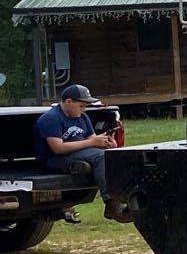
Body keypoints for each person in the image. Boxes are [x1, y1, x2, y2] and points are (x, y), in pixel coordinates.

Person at [34, 83, 123, 214]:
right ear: (68, 102)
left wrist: (108, 144)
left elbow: (91, 139)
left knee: (110, 155)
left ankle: (123, 196)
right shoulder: (51, 118)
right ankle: (111, 203)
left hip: (79, 153)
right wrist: (92, 142)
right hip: (55, 160)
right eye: (81, 106)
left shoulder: (82, 117)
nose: (84, 110)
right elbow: (58, 148)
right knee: (99, 156)